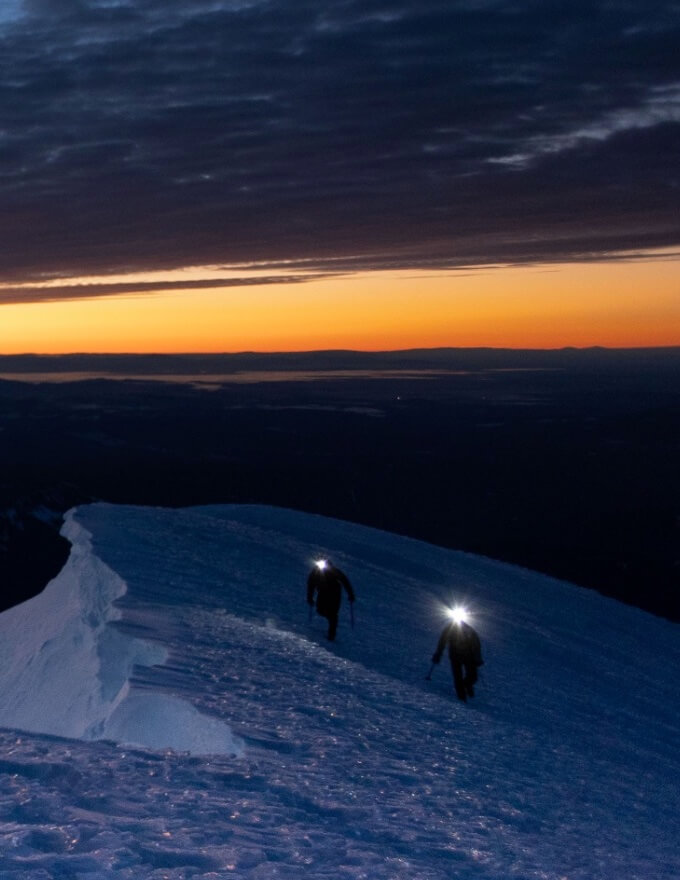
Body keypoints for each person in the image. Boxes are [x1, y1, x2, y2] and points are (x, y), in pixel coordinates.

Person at [431, 615, 483, 701]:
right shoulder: (450, 629)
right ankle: (462, 696)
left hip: (468, 656)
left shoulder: (469, 630)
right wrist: (438, 653)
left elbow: (476, 645)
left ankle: (466, 686)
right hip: (455, 655)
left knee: (472, 676)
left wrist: (478, 659)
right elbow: (442, 642)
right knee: (458, 676)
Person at [306, 559, 355, 641]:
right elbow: (311, 585)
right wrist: (310, 598)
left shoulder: (333, 571)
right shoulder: (314, 573)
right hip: (323, 593)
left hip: (334, 594)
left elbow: (344, 580)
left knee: (333, 614)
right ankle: (331, 626)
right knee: (321, 610)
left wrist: (350, 594)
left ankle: (332, 634)